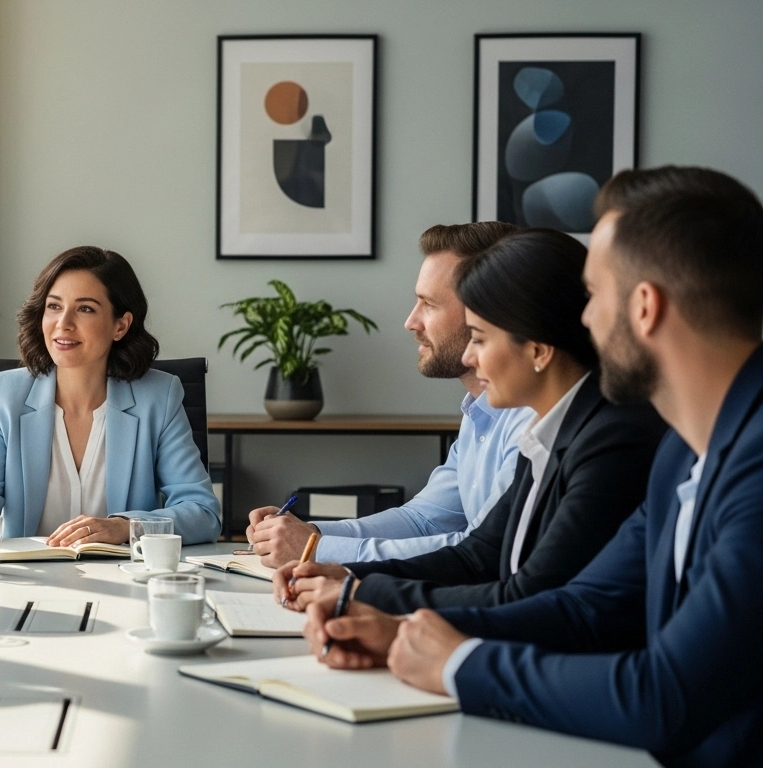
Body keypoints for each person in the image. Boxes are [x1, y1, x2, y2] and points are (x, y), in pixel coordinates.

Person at [302, 166, 763, 767]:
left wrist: (459, 662)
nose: (584, 319)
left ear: (645, 307)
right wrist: (398, 630)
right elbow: (584, 606)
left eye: (595, 295)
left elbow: (664, 694)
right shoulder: (682, 450)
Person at [280, 229, 665, 613]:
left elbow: (526, 594)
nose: (469, 358)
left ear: (537, 350)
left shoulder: (610, 439)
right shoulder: (551, 429)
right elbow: (480, 554)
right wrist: (344, 576)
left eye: (479, 338)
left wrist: (356, 593)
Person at [246, 223, 534, 567]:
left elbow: (480, 553)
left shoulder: (532, 419)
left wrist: (315, 549)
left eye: (429, 304)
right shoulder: (479, 411)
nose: (411, 322)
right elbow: (424, 520)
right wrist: (308, 533)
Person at [0, 246, 220, 544]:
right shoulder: (3, 395)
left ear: (120, 325)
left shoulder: (158, 397)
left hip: (123, 579)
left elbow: (203, 513)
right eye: (54, 306)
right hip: (28, 580)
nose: (63, 323)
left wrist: (124, 527)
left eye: (85, 309)